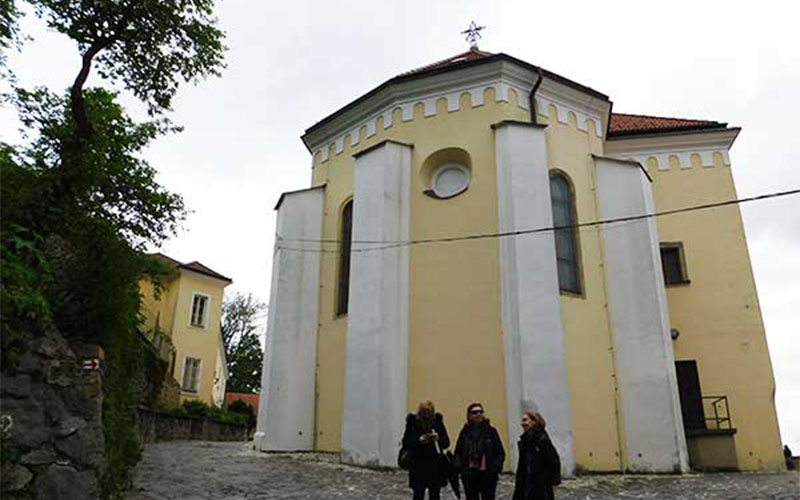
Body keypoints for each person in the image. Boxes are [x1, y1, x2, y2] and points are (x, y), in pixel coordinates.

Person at [454, 402, 505, 500]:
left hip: (487, 473)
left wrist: (495, 468)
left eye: (481, 411)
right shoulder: (465, 432)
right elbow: (458, 451)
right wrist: (460, 468)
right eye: (475, 412)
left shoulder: (491, 431)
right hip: (469, 473)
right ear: (469, 415)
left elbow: (500, 452)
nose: (478, 414)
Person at [402, 400, 451, 500]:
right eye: (424, 411)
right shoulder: (413, 423)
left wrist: (438, 438)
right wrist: (419, 440)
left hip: (435, 464)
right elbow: (406, 441)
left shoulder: (437, 422)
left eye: (429, 411)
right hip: (418, 464)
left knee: (435, 494)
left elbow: (446, 442)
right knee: (418, 494)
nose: (427, 414)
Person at [512, 412, 561, 500]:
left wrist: (544, 480)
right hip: (526, 483)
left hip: (539, 487)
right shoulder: (525, 440)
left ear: (534, 421)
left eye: (525, 420)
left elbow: (553, 462)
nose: (522, 424)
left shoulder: (542, 439)